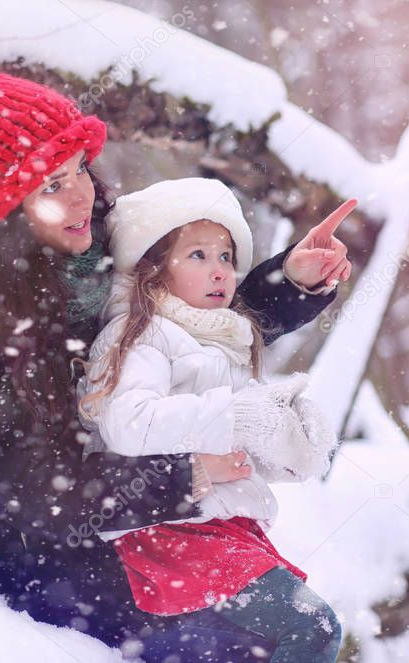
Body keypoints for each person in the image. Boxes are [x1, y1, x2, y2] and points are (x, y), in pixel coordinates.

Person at [0, 68, 352, 661]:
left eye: (79, 170)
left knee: (304, 625)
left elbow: (181, 316)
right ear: (2, 210)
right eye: (50, 185)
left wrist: (291, 281)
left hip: (134, 520)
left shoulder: (88, 248)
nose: (80, 196)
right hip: (31, 560)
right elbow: (37, 494)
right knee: (277, 637)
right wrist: (190, 472)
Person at [77, 178, 346, 661]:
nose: (220, 270)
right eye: (198, 255)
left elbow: (226, 446)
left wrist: (286, 446)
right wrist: (238, 417)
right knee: (312, 628)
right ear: (151, 269)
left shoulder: (219, 339)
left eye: (226, 256)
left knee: (259, 647)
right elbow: (129, 423)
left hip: (218, 528)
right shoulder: (139, 333)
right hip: (171, 531)